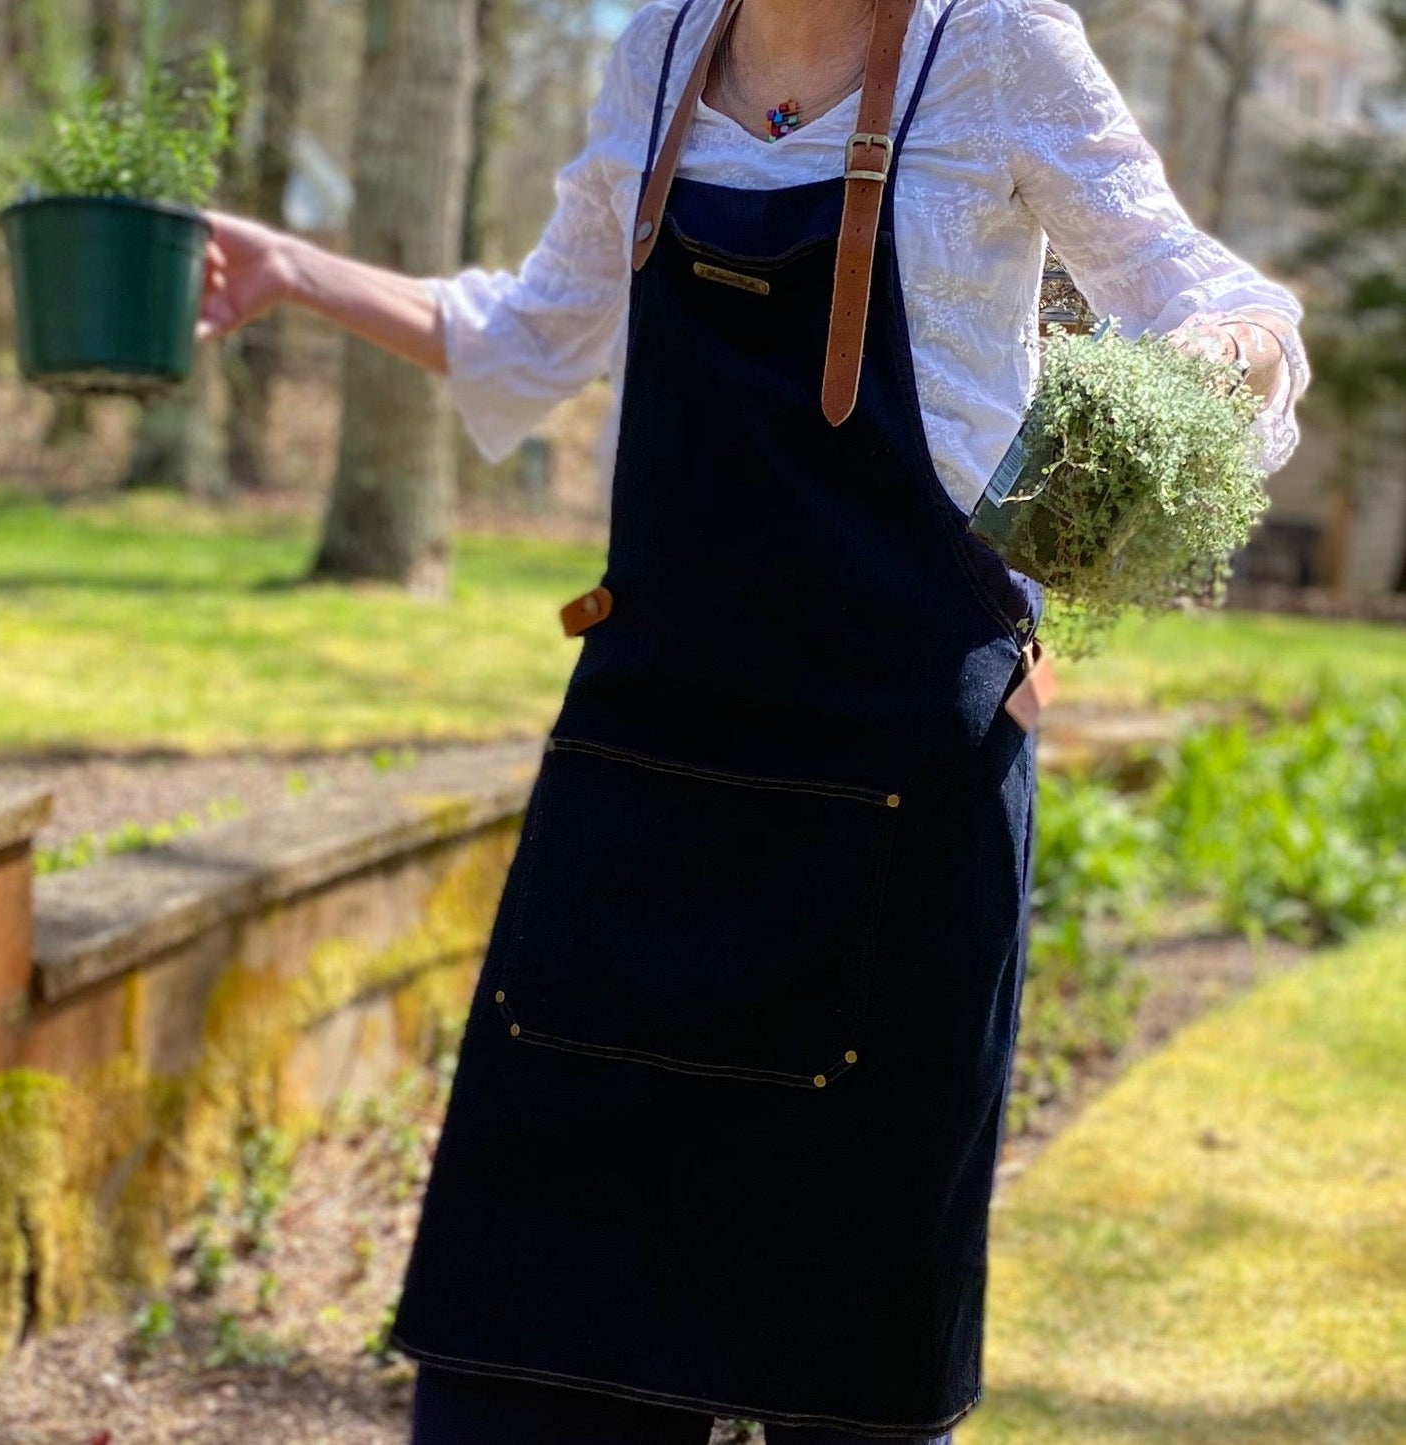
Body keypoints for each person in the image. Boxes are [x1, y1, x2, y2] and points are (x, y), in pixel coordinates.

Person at [196, 2, 1309, 1440]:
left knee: (845, 1354)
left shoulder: (993, 46)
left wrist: (1221, 356)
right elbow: (531, 336)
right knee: (528, 1339)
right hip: (646, 771)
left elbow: (1215, 300)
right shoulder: (655, 49)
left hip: (899, 799)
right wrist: (296, 270)